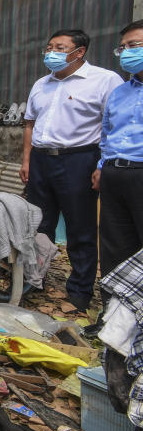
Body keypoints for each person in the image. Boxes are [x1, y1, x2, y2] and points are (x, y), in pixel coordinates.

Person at [20, 29, 122, 311]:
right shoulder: (42, 84)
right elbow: (30, 123)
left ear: (79, 52)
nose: (51, 52)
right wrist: (27, 160)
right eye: (49, 46)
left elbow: (113, 125)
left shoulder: (104, 80)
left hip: (79, 160)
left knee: (80, 228)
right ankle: (34, 280)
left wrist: (102, 164)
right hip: (41, 159)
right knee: (39, 225)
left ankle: (79, 291)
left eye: (59, 47)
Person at [93, 20, 143, 279]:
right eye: (122, 47)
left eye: (133, 45)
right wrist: (103, 166)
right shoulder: (120, 92)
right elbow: (108, 133)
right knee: (114, 247)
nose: (126, 52)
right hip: (115, 173)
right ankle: (111, 316)